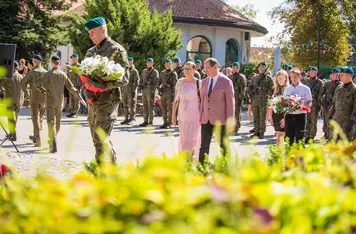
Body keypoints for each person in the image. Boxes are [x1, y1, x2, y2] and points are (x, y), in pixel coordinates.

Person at [84, 17, 129, 164]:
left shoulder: (116, 50)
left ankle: (101, 173)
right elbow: (85, 75)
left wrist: (106, 86)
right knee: (96, 138)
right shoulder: (90, 52)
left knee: (100, 138)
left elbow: (125, 78)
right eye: (89, 33)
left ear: (103, 30)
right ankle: (111, 166)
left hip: (108, 100)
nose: (91, 36)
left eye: (93, 33)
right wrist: (88, 89)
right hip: (93, 100)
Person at [35, 56, 85, 153]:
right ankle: (54, 138)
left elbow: (37, 84)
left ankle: (52, 142)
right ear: (59, 63)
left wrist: (44, 91)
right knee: (57, 122)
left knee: (50, 121)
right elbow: (71, 87)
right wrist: (80, 98)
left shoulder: (48, 74)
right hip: (60, 102)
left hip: (50, 101)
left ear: (52, 62)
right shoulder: (63, 74)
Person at [199, 58, 234, 164]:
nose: (206, 70)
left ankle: (227, 167)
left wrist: (230, 120)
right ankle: (202, 168)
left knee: (223, 145)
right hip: (206, 119)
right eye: (204, 68)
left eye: (208, 68)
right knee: (204, 145)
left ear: (216, 67)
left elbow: (230, 102)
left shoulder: (226, 81)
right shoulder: (204, 82)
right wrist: (200, 116)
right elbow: (202, 101)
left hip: (221, 120)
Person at [172, 61, 201, 159]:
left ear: (194, 70)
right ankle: (183, 160)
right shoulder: (180, 82)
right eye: (185, 68)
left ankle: (192, 160)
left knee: (192, 139)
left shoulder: (199, 83)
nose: (186, 71)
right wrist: (173, 117)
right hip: (182, 115)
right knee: (183, 139)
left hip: (194, 116)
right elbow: (175, 101)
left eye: (189, 69)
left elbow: (203, 101)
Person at [20, 54, 47, 147]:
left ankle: (38, 138)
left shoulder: (32, 72)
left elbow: (22, 83)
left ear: (34, 62)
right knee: (40, 117)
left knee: (35, 117)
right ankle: (35, 135)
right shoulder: (46, 72)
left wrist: (27, 93)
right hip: (44, 99)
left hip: (34, 98)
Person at [281, 68, 312, 145]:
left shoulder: (305, 89)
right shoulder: (287, 89)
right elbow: (283, 103)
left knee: (300, 138)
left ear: (300, 76)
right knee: (289, 138)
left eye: (295, 76)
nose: (293, 79)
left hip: (300, 115)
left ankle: (300, 156)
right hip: (289, 116)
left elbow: (309, 101)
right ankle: (289, 155)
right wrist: (284, 118)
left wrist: (305, 107)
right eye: (291, 77)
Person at [328, 67, 356, 141]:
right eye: (339, 75)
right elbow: (334, 103)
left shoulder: (354, 89)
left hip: (347, 124)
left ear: (350, 76)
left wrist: (352, 122)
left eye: (342, 75)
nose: (339, 77)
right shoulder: (339, 88)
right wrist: (330, 116)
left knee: (344, 148)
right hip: (336, 122)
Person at [248, 62, 274, 139]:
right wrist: (251, 94)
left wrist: (267, 95)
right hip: (255, 100)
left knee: (262, 117)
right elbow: (249, 87)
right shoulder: (254, 78)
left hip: (264, 100)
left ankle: (261, 132)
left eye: (263, 67)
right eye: (260, 67)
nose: (262, 68)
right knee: (255, 116)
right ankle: (256, 131)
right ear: (258, 68)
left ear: (265, 68)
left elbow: (272, 88)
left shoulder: (268, 78)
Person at [0, 61, 24, 141]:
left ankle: (13, 134)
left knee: (10, 117)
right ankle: (11, 132)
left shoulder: (9, 77)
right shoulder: (21, 76)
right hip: (18, 99)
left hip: (9, 99)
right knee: (15, 117)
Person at [268, 70, 289, 145]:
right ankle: (278, 154)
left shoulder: (288, 89)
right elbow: (270, 103)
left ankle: (279, 154)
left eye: (282, 78)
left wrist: (285, 118)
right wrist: (270, 116)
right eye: (279, 78)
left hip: (285, 115)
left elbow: (289, 105)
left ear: (286, 78)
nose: (280, 80)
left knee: (281, 138)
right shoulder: (273, 89)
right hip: (275, 115)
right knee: (278, 136)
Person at [319, 68, 341, 140]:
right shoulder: (327, 83)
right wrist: (322, 101)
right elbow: (321, 93)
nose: (335, 75)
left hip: (335, 106)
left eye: (336, 74)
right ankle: (326, 135)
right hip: (326, 106)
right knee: (326, 121)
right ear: (330, 75)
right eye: (333, 74)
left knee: (333, 122)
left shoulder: (340, 84)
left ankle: (332, 137)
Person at [304, 66, 323, 143]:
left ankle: (311, 136)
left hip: (315, 105)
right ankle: (306, 135)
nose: (312, 73)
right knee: (306, 120)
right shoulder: (305, 81)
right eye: (311, 72)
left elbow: (321, 94)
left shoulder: (319, 82)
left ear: (316, 73)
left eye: (314, 72)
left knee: (313, 121)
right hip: (306, 104)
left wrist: (319, 105)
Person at [138, 58, 159, 127]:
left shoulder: (155, 72)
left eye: (150, 62)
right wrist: (140, 86)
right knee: (145, 106)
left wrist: (154, 91)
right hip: (144, 90)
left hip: (150, 90)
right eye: (148, 62)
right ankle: (145, 121)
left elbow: (156, 83)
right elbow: (141, 80)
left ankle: (150, 121)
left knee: (150, 106)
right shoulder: (144, 71)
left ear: (152, 63)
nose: (149, 63)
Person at [158, 58, 178, 129]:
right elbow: (159, 81)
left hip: (170, 92)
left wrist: (173, 95)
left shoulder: (173, 73)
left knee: (170, 109)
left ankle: (169, 123)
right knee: (163, 108)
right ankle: (164, 122)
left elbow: (176, 85)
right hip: (163, 92)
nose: (167, 65)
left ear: (171, 64)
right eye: (166, 64)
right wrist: (159, 89)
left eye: (169, 64)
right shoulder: (162, 72)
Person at [228, 62, 246, 135]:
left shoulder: (241, 77)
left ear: (238, 68)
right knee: (230, 114)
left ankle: (236, 129)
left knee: (236, 114)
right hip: (230, 98)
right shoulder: (229, 77)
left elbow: (243, 88)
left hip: (237, 98)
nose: (234, 68)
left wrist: (241, 97)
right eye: (233, 67)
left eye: (236, 67)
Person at [121, 56, 139, 125]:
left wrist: (134, 90)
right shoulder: (125, 70)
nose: (129, 62)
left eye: (130, 61)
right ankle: (126, 118)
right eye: (128, 61)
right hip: (125, 89)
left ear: (132, 62)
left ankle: (131, 119)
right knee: (125, 104)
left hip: (131, 89)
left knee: (131, 105)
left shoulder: (134, 71)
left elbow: (137, 81)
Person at [66, 53, 82, 118]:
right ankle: (72, 111)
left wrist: (80, 85)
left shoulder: (79, 66)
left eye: (74, 58)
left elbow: (81, 76)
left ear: (77, 58)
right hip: (71, 85)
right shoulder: (70, 66)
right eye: (72, 58)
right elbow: (67, 76)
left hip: (77, 85)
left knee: (76, 99)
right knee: (71, 99)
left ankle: (75, 112)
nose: (73, 59)